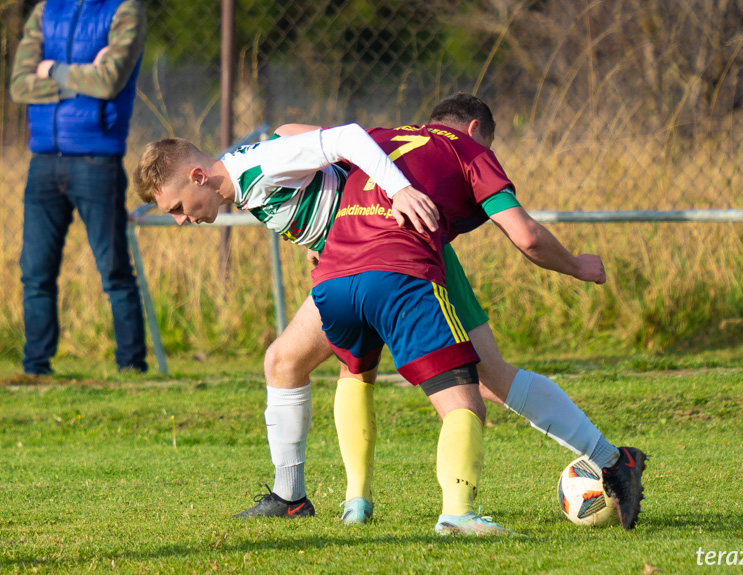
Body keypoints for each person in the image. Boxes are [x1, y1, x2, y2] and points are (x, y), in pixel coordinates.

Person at [133, 94, 646, 533]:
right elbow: (294, 136)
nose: (179, 221)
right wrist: (322, 231)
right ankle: (301, 498)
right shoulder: (246, 171)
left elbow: (333, 137)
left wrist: (392, 192)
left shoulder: (338, 147)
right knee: (286, 361)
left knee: (481, 380)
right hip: (361, 253)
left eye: (177, 207)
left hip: (396, 249)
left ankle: (602, 459)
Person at [10, 0, 149, 375]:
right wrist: (79, 81)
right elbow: (19, 85)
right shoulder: (44, 11)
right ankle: (35, 366)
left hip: (97, 161)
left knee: (114, 270)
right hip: (43, 161)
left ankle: (131, 365)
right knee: (35, 272)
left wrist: (51, 70)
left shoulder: (125, 11)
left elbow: (109, 81)